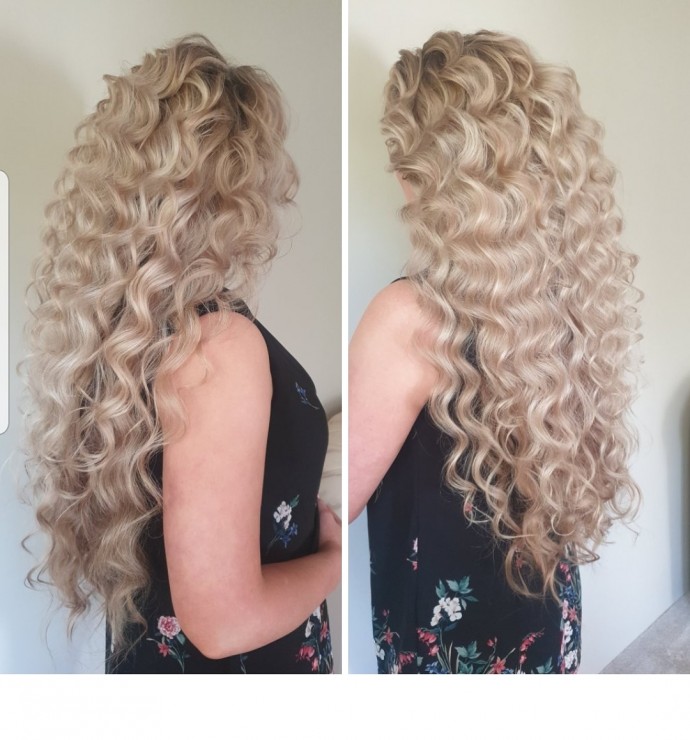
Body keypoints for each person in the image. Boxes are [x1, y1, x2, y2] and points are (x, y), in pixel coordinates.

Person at [24, 34, 341, 674]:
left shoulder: (124, 335)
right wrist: (332, 561)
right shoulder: (215, 345)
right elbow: (224, 625)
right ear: (238, 185)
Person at [349, 30, 641, 674]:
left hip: (459, 647)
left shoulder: (412, 316)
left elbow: (336, 499)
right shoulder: (563, 284)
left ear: (428, 175)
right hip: (545, 608)